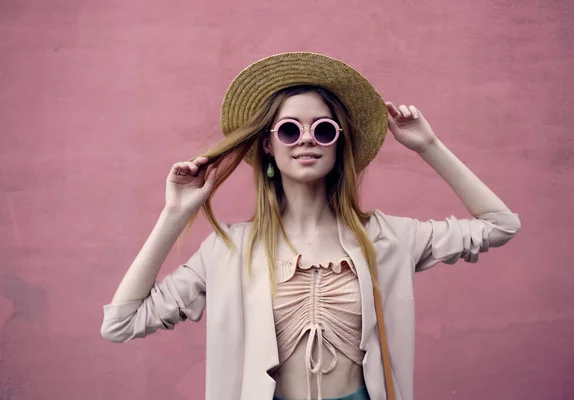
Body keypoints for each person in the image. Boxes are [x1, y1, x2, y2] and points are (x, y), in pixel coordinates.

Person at [101, 52, 521, 400]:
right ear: (268, 144)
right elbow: (121, 324)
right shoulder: (229, 248)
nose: (306, 140)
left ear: (339, 144)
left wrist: (428, 146)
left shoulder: (390, 237)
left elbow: (501, 224)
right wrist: (175, 213)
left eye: (322, 130)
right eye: (288, 130)